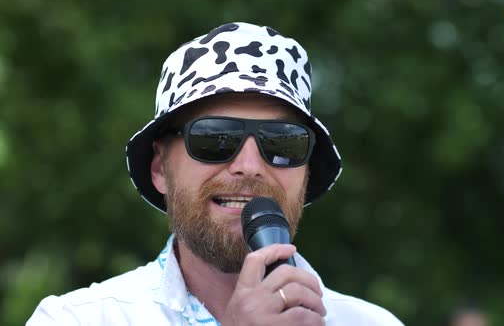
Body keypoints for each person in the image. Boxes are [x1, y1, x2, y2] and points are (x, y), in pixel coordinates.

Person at [27, 22, 403, 325]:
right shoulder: (79, 319)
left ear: (305, 173)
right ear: (160, 168)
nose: (250, 166)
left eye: (282, 143)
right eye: (214, 138)